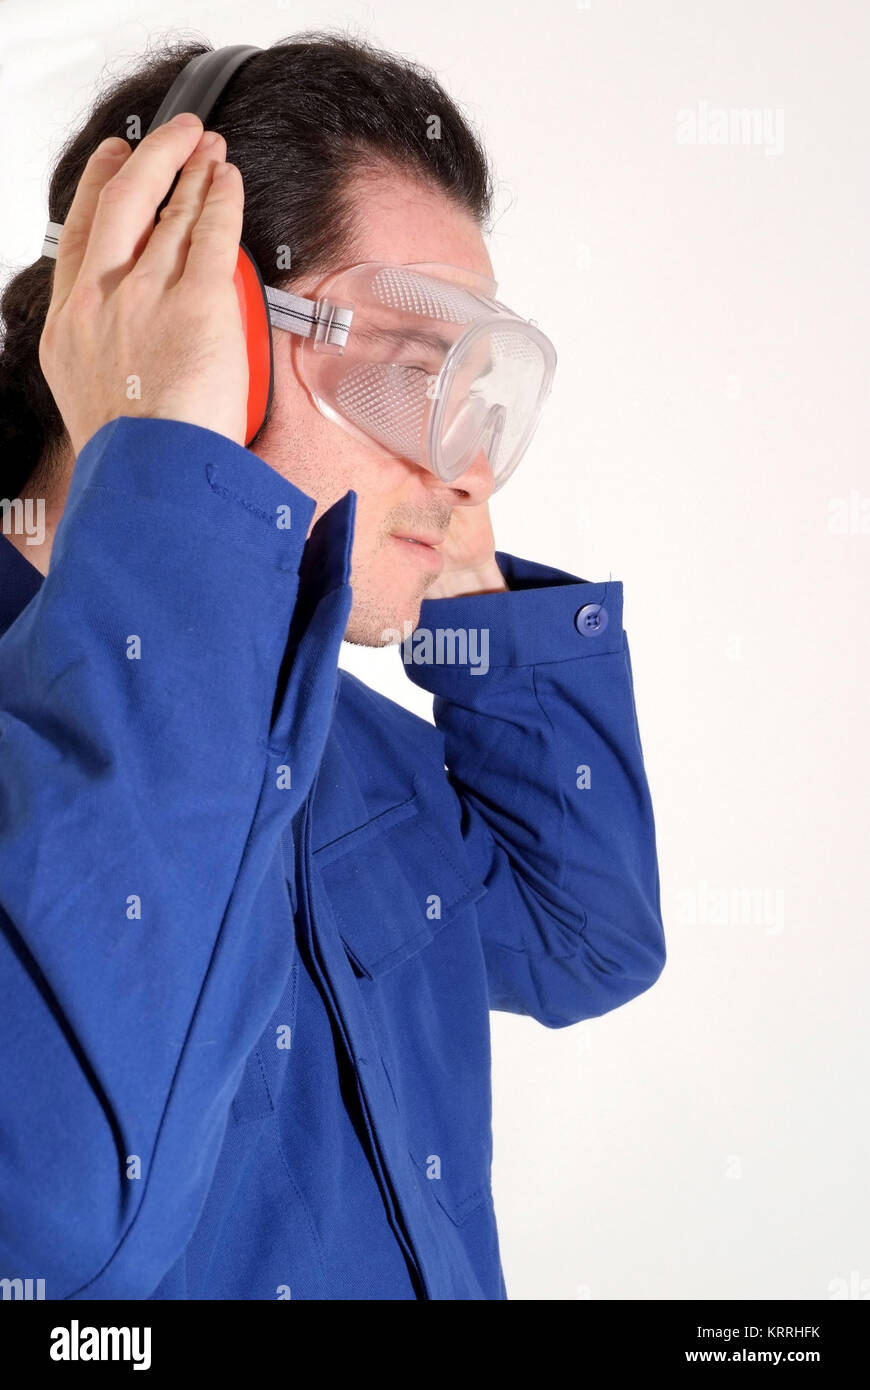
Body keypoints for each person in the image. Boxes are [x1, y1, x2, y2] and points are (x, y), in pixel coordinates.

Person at [0, 33, 665, 1301]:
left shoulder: (348, 748)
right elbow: (66, 1230)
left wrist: (458, 566)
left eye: (479, 398)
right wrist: (164, 443)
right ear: (216, 325)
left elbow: (586, 939)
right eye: (416, 376)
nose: (467, 456)